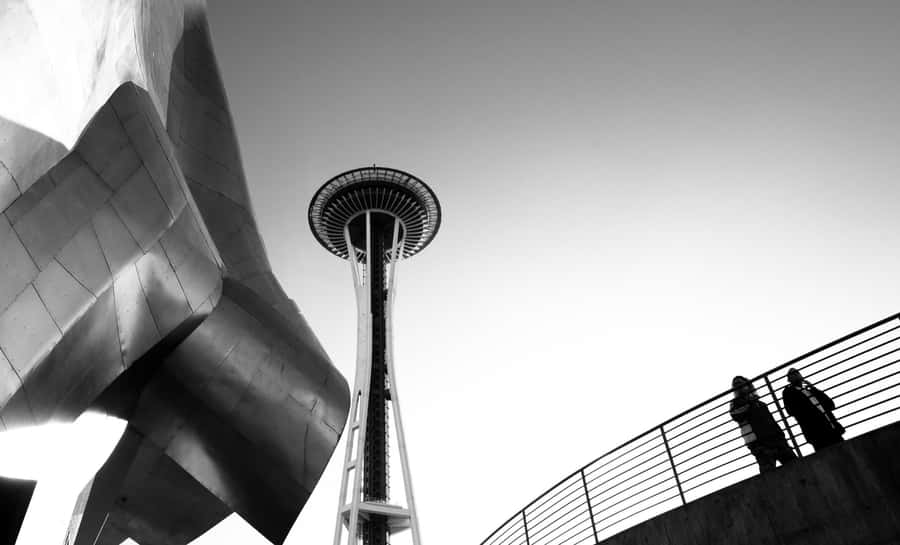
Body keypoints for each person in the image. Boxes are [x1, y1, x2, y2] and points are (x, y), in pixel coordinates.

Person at [730, 375, 797, 473]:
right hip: (759, 443)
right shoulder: (735, 403)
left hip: (777, 440)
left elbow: (771, 421)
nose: (739, 386)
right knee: (768, 475)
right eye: (736, 385)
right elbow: (736, 416)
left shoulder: (760, 403)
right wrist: (749, 402)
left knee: (795, 466)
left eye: (741, 383)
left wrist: (780, 435)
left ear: (748, 385)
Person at [782, 368, 845, 451]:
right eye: (793, 374)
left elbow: (830, 404)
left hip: (832, 429)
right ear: (789, 379)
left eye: (797, 373)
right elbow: (791, 411)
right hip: (816, 433)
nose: (796, 375)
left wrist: (813, 388)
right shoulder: (789, 392)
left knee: (844, 452)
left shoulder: (810, 391)